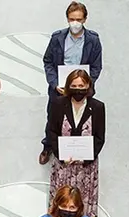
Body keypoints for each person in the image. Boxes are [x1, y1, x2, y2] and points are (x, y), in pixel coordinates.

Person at [38, 1, 103, 165]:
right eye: (72, 19)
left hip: (82, 89)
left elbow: (96, 66)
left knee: (81, 119)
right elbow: (48, 61)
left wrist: (85, 84)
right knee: (53, 118)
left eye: (79, 19)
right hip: (59, 88)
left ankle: (79, 147)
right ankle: (48, 147)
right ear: (67, 19)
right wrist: (54, 84)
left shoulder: (93, 40)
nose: (75, 23)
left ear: (85, 19)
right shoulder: (57, 37)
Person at [47, 69, 105, 217]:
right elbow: (51, 132)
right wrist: (60, 156)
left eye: (81, 86)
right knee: (63, 200)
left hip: (86, 167)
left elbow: (99, 137)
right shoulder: (58, 104)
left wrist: (86, 158)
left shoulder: (98, 107)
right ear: (68, 87)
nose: (78, 90)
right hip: (63, 165)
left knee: (81, 201)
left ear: (88, 87)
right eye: (74, 86)